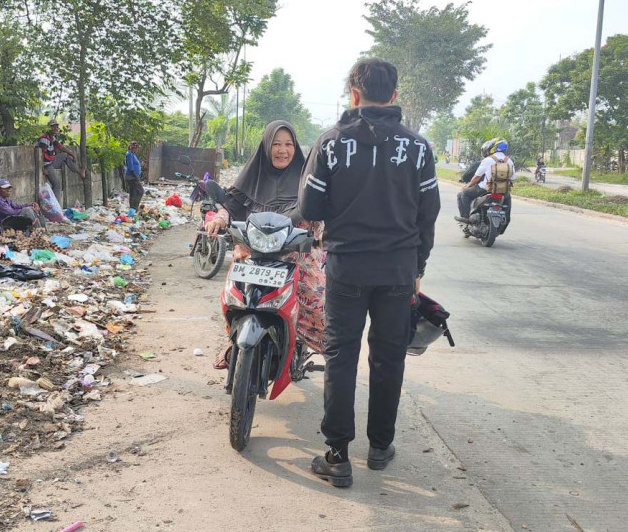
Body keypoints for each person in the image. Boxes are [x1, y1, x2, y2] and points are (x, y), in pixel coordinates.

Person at [298, 58, 440, 487]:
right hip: (397, 270)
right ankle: (380, 447)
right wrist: (418, 267)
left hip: (346, 266)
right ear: (394, 96)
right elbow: (427, 216)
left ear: (353, 94)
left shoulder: (330, 142)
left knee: (341, 356)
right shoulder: (419, 148)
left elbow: (309, 207)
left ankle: (337, 456)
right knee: (388, 357)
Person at [205, 120, 326, 367]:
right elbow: (231, 206)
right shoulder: (252, 177)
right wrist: (219, 218)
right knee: (233, 296)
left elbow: (322, 208)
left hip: (296, 257)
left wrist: (326, 230)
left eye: (288, 144)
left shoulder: (307, 181)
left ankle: (335, 356)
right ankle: (234, 339)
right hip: (256, 255)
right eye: (276, 144)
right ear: (266, 147)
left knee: (322, 305)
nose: (283, 150)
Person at [455, 138, 516, 223]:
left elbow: (476, 177)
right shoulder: (509, 161)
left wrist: (468, 185)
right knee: (507, 201)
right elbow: (513, 178)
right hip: (503, 191)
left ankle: (466, 217)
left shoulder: (487, 160)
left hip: (485, 189)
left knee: (463, 194)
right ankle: (505, 220)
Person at [38, 121, 86, 201]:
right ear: (49, 128)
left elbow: (61, 147)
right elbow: (41, 154)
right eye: (54, 127)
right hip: (46, 165)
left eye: (57, 126)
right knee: (56, 184)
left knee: (65, 155)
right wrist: (43, 169)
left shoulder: (51, 137)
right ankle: (55, 204)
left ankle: (79, 171)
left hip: (51, 161)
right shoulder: (44, 138)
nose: (56, 128)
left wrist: (71, 154)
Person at [125, 141, 145, 210]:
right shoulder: (129, 154)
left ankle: (133, 208)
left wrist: (140, 173)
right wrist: (136, 177)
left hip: (134, 176)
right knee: (140, 191)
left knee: (134, 192)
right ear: (133, 148)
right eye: (136, 148)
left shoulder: (133, 154)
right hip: (132, 177)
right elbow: (130, 168)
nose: (137, 150)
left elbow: (136, 165)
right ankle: (134, 207)